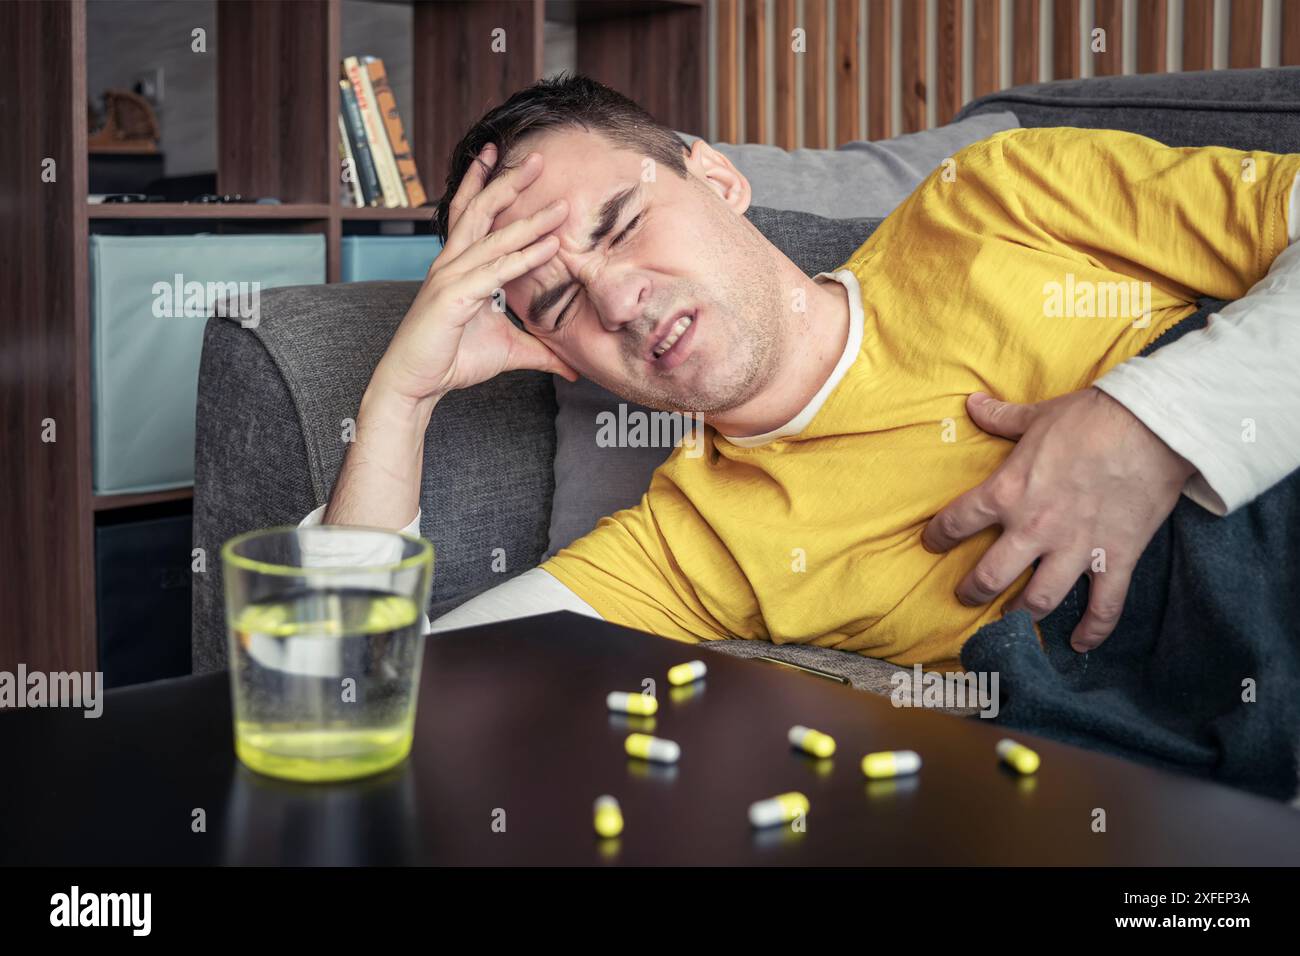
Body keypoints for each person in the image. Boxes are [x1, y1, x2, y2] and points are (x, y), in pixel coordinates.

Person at [305, 74, 1300, 669]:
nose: (617, 299)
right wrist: (401, 396)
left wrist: (1149, 421)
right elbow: (366, 686)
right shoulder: (694, 544)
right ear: (556, 356)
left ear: (718, 179)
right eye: (559, 308)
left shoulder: (999, 197)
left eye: (622, 222)